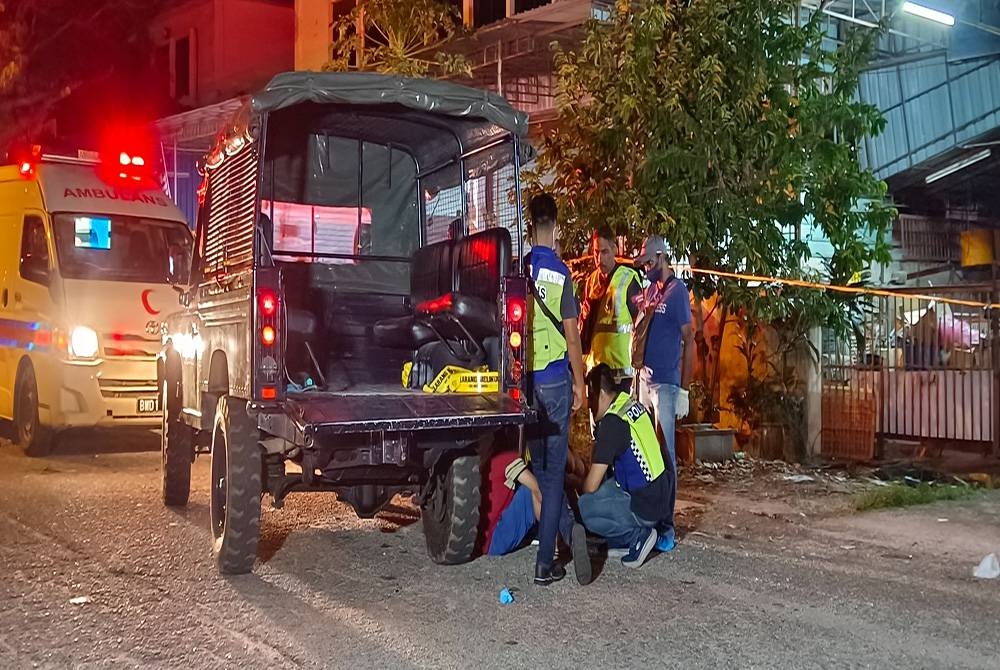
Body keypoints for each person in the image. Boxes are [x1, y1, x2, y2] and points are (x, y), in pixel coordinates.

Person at [524, 192, 587, 586]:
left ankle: (561, 537)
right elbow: (573, 337)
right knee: (553, 476)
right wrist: (581, 383)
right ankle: (544, 563)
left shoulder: (519, 271)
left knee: (540, 466)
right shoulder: (561, 274)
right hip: (556, 383)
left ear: (530, 226)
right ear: (556, 227)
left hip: (526, 385)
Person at [578, 363, 675, 569]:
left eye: (592, 399)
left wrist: (574, 483)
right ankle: (630, 538)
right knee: (607, 489)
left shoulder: (612, 424)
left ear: (603, 394)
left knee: (586, 507)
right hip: (659, 497)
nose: (590, 405)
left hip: (644, 507)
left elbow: (590, 486)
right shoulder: (631, 404)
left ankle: (638, 535)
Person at [632, 235, 693, 552]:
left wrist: (684, 389)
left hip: (666, 384)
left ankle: (667, 525)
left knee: (666, 454)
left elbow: (690, 340)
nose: (646, 268)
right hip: (644, 380)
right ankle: (648, 520)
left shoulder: (678, 291)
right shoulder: (652, 290)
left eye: (649, 262)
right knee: (646, 453)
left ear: (661, 257)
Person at [580, 226, 641, 394]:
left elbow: (642, 327)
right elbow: (585, 329)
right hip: (597, 372)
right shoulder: (591, 282)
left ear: (614, 249)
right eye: (596, 252)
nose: (600, 259)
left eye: (605, 252)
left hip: (622, 375)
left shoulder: (628, 279)